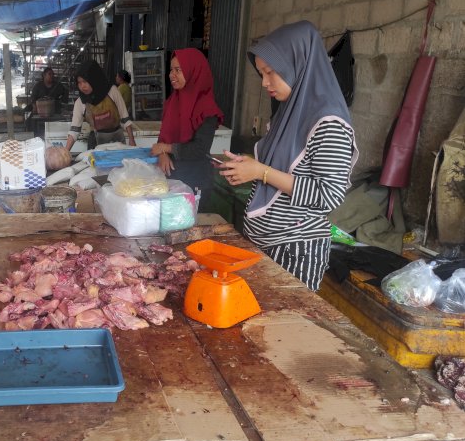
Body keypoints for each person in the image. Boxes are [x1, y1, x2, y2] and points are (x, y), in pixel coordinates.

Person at [220, 21, 358, 291]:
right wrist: (249, 168)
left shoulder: (328, 123)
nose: (264, 83)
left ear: (298, 64)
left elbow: (328, 195)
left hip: (295, 250)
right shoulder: (289, 113)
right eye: (261, 73)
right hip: (264, 241)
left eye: (271, 72)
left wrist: (261, 172)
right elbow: (282, 170)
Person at [150, 49, 224, 211]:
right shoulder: (172, 102)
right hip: (171, 178)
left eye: (178, 70)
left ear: (194, 72)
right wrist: (162, 153)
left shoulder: (207, 108)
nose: (171, 75)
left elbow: (199, 149)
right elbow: (164, 137)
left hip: (195, 181)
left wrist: (167, 148)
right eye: (171, 69)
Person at [66, 60, 135, 150]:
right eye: (79, 82)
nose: (82, 86)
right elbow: (74, 130)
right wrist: (65, 151)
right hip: (95, 143)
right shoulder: (80, 102)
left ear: (94, 79)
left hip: (117, 140)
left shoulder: (112, 91)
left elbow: (125, 117)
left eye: (85, 81)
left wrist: (131, 140)